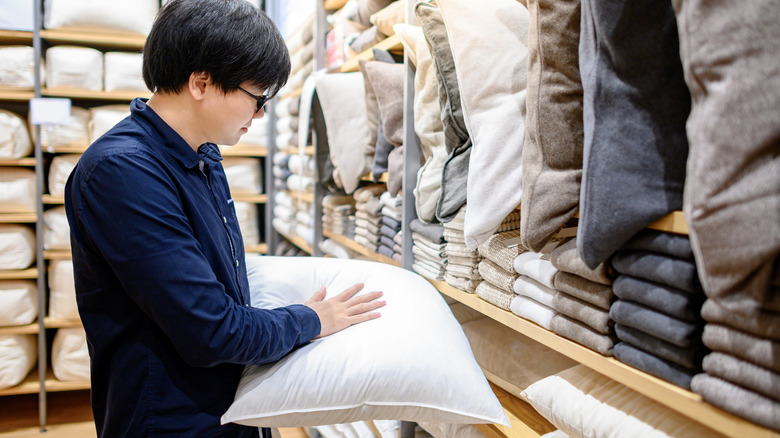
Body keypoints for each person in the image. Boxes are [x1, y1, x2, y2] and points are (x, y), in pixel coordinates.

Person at [63, 1, 385, 436]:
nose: (260, 114)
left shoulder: (202, 156)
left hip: (227, 405)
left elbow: (220, 287)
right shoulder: (123, 171)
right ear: (201, 82)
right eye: (257, 98)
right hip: (172, 420)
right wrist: (311, 320)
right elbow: (210, 330)